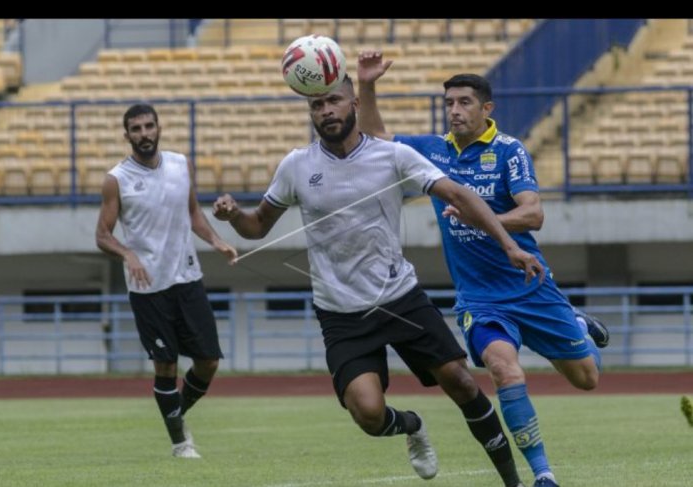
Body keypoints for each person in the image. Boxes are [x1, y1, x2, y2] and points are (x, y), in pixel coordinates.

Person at [213, 75, 546, 486]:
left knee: (461, 381)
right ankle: (412, 426)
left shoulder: (394, 156)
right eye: (317, 106)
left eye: (334, 101)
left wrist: (509, 245)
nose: (326, 111)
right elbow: (257, 227)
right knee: (369, 415)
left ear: (354, 102)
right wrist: (234, 217)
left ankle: (513, 481)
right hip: (340, 314)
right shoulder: (296, 166)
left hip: (399, 298)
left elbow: (461, 196)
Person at [357, 51, 610, 487]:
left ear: (486, 108)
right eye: (449, 103)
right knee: (503, 370)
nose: (454, 110)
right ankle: (543, 473)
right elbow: (376, 136)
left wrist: (482, 218)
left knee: (587, 378)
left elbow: (533, 215)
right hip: (480, 297)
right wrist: (367, 85)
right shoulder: (432, 151)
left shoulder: (510, 151)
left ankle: (577, 325)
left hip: (530, 285)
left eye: (464, 103)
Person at [95, 104, 238, 458]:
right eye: (136, 129)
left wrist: (217, 241)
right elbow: (102, 235)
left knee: (209, 362)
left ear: (159, 128)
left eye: (149, 126)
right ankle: (180, 442)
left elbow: (192, 212)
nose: (144, 134)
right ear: (126, 135)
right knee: (166, 365)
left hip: (188, 278)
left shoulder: (180, 164)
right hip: (148, 289)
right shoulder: (116, 179)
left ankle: (174, 415)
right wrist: (128, 255)